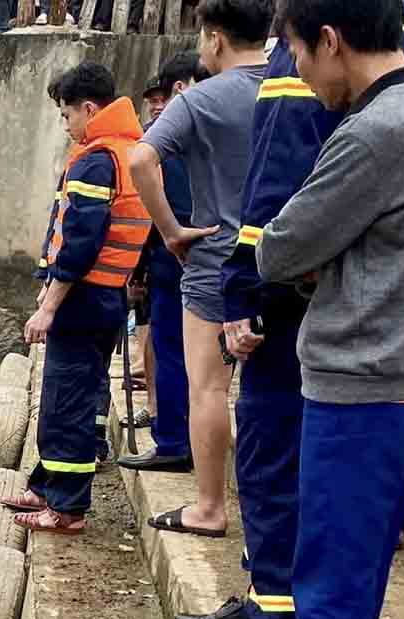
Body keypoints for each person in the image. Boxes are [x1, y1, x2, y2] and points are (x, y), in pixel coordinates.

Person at [178, 0, 404, 619]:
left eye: (293, 48)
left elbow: (283, 212)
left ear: (325, 43)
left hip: (348, 350)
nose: (290, 60)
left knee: (304, 503)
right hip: (387, 343)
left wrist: (248, 286)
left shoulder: (369, 111)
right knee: (333, 530)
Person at [129, 0, 272, 539]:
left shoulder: (199, 99)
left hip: (215, 260)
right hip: (286, 260)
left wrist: (170, 230)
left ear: (215, 38)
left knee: (209, 389)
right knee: (276, 392)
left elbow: (141, 159)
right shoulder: (296, 86)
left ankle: (210, 508)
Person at [1, 62, 151, 535]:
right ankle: (47, 486)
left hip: (84, 298)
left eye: (67, 115)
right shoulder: (131, 153)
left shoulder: (96, 161)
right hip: (106, 295)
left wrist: (48, 305)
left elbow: (80, 245)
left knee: (67, 402)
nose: (65, 125)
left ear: (88, 109)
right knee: (67, 395)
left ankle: (66, 508)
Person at [120, 52, 205, 472]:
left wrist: (138, 267)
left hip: (176, 251)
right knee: (208, 362)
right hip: (223, 248)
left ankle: (173, 440)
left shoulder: (165, 136)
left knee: (171, 349)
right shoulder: (230, 119)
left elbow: (147, 209)